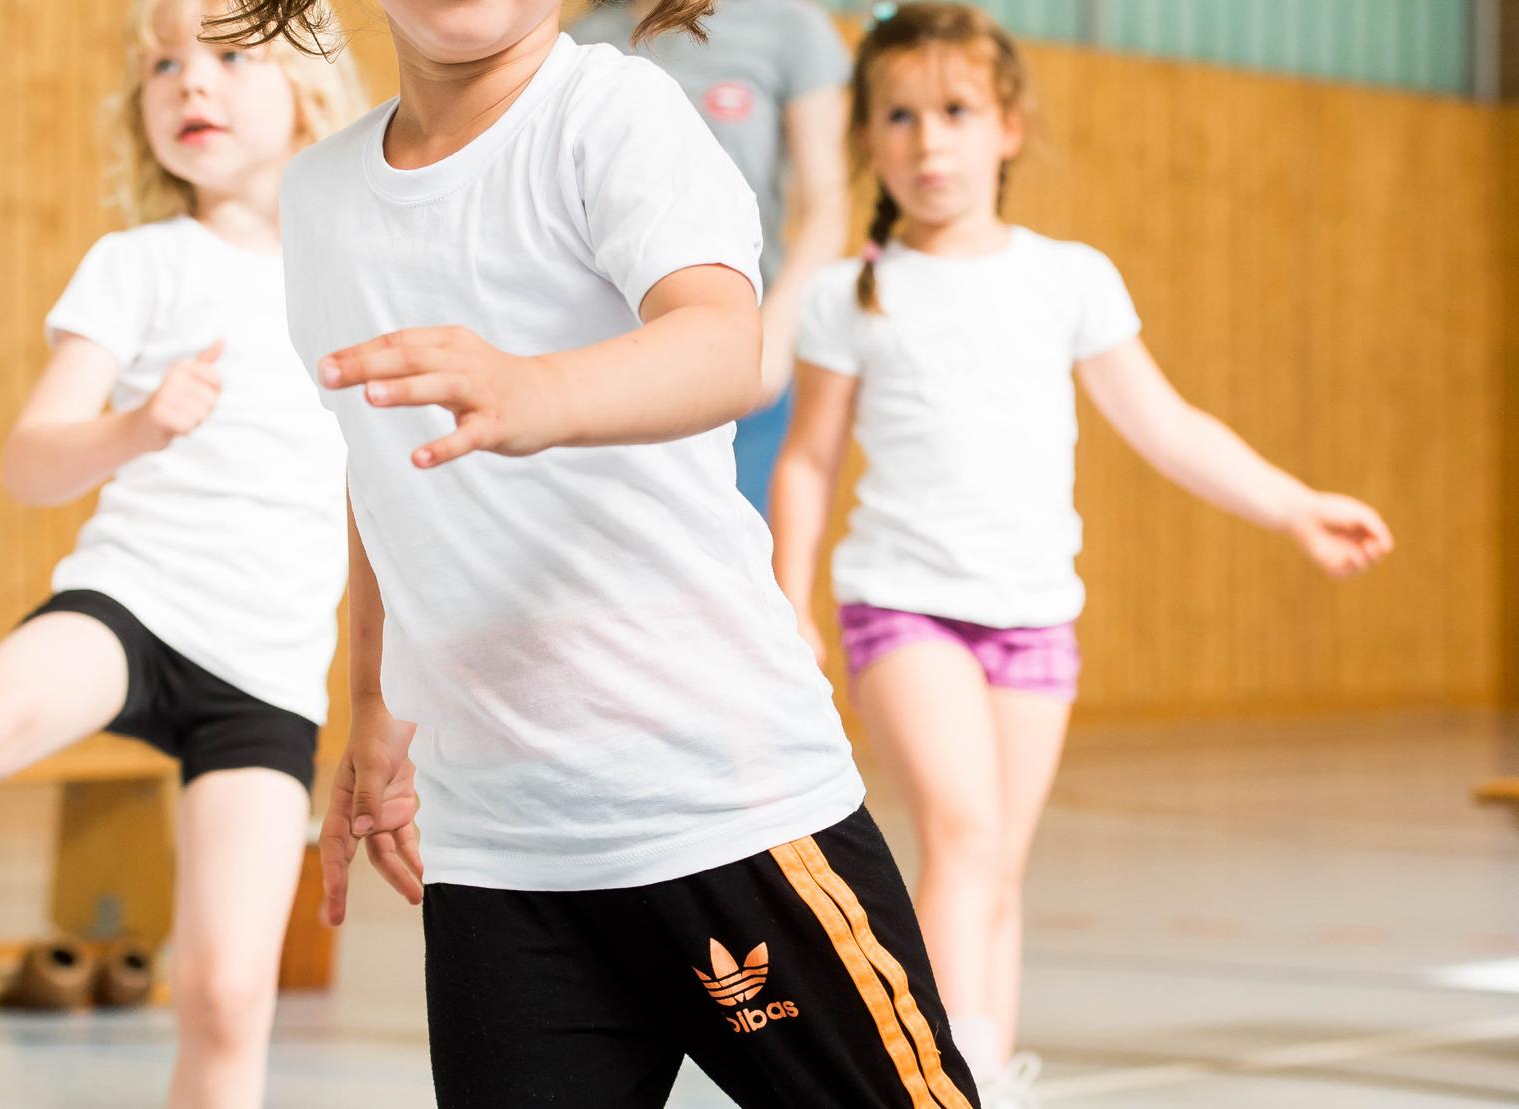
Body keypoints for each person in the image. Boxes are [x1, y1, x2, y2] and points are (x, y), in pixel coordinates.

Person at [211, 0, 980, 1104]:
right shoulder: (321, 193)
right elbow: (382, 462)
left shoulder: (612, 114)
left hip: (716, 804)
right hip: (500, 849)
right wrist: (375, 710)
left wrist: (542, 388)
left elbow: (724, 344)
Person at [769, 4, 1394, 1104]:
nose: (928, 140)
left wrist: (1292, 504)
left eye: (955, 112)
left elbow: (1167, 425)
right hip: (902, 606)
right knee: (960, 832)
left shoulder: (1067, 278)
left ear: (1007, 127)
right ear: (868, 137)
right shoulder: (846, 295)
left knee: (997, 861)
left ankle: (987, 1063)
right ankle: (948, 1076)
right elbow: (808, 461)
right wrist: (788, 596)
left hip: (1033, 614)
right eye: (899, 116)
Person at [0, 4, 363, 1105]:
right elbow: (30, 463)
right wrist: (137, 428)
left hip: (267, 668)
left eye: (229, 57)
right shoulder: (139, 263)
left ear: (309, 94)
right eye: (164, 67)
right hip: (131, 603)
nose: (190, 85)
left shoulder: (355, 283)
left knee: (229, 994)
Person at [569, 0, 850, 516]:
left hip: (741, 352)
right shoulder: (581, 38)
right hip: (605, 360)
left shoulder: (789, 27)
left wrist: (775, 333)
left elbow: (826, 207)